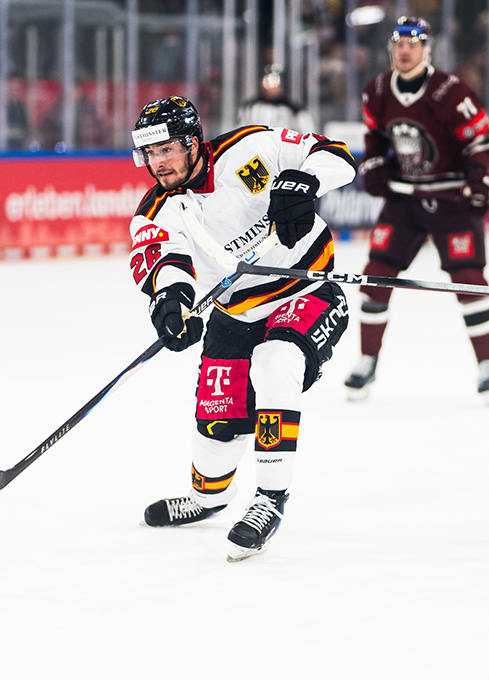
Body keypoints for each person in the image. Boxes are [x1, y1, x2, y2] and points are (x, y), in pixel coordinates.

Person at [130, 96, 356, 561]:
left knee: (276, 365)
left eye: (167, 150)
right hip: (234, 313)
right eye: (150, 154)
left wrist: (304, 181)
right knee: (217, 434)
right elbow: (166, 262)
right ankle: (208, 500)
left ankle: (269, 500)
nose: (158, 164)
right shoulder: (158, 211)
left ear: (193, 143)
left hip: (305, 288)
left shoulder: (251, 146)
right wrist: (171, 302)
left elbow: (337, 156)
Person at [343, 16, 489, 404]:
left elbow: (482, 141)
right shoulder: (378, 90)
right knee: (375, 277)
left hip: (450, 201)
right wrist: (375, 163)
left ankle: (488, 364)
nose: (405, 49)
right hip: (405, 202)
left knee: (468, 280)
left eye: (413, 43)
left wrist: (478, 178)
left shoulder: (450, 92)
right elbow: (376, 137)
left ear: (426, 49)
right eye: (399, 42)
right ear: (391, 48)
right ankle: (367, 360)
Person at [237, 65, 316, 133]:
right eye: (267, 82)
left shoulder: (295, 111)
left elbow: (308, 134)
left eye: (275, 82)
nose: (271, 86)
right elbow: (239, 130)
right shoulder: (249, 108)